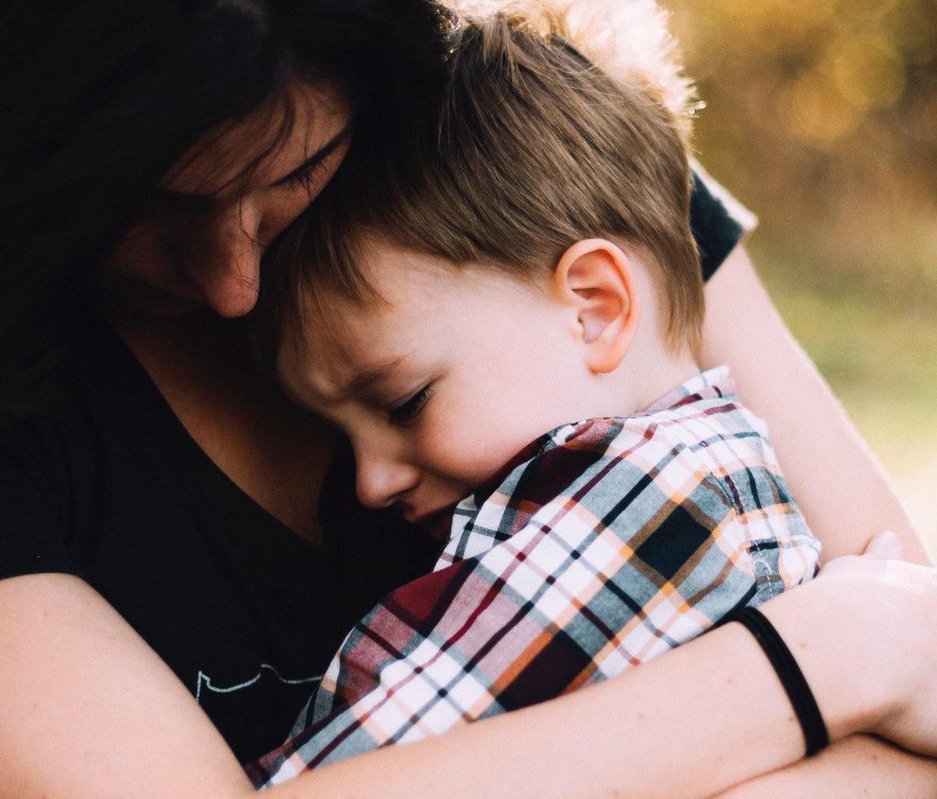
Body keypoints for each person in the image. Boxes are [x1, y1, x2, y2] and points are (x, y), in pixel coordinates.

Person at [0, 1, 935, 797]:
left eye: (292, 175)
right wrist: (813, 666)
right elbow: (891, 647)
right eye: (134, 214)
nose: (231, 284)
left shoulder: (536, 172)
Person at [248, 1, 823, 782]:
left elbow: (370, 761)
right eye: (341, 434)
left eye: (405, 401)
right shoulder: (706, 476)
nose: (369, 480)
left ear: (593, 307)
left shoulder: (651, 503)